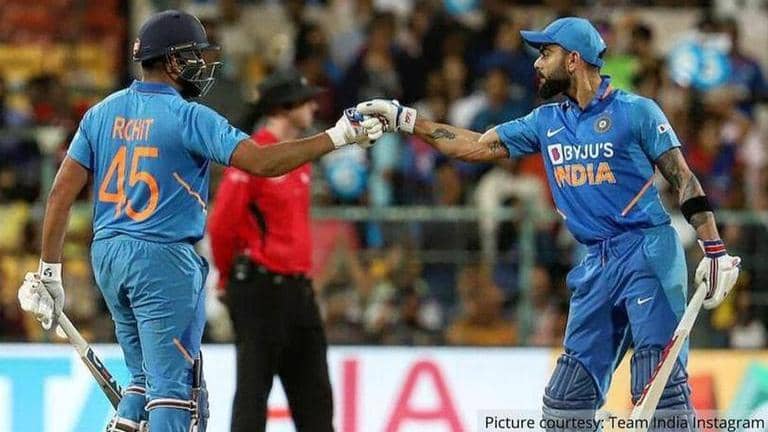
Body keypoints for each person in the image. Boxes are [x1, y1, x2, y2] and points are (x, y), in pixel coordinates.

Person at [357, 16, 741, 431]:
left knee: (660, 391)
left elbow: (683, 178)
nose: (537, 64)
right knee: (566, 404)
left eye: (546, 53)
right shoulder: (546, 121)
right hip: (595, 260)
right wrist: (407, 120)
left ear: (573, 59)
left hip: (646, 252)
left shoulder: (636, 112)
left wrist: (714, 249)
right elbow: (474, 146)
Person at [15, 10, 381, 432]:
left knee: (141, 381)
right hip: (163, 260)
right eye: (194, 56)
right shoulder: (189, 116)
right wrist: (339, 136)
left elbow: (60, 194)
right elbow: (262, 162)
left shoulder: (100, 113)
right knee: (176, 394)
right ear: (172, 61)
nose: (202, 66)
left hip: (109, 257)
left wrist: (49, 270)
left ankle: (128, 422)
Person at [207, 69, 334, 432]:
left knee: (317, 403)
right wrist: (229, 277)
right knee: (253, 395)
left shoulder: (299, 158)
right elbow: (221, 225)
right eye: (305, 101)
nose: (313, 107)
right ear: (283, 107)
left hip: (298, 290)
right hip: (260, 289)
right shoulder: (254, 155)